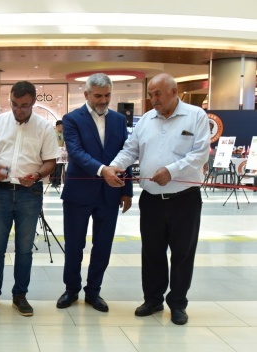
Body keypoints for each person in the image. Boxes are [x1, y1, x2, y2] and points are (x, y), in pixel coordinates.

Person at [102, 73, 210, 325]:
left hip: (185, 200)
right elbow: (130, 150)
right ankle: (152, 299)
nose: (153, 99)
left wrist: (172, 170)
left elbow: (200, 154)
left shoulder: (195, 116)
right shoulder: (147, 120)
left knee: (183, 253)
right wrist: (114, 167)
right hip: (151, 199)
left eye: (158, 94)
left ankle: (178, 303)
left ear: (174, 92)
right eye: (150, 94)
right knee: (152, 252)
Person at [0, 81, 60, 317]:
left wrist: (37, 175)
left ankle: (20, 295)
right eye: (14, 104)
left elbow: (51, 162)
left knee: (24, 249)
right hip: (0, 192)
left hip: (29, 194)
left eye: (23, 106)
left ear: (33, 102)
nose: (18, 110)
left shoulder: (44, 128)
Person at [56, 73, 134, 313]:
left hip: (110, 194)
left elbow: (126, 154)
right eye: (98, 96)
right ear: (87, 94)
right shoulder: (72, 119)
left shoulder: (120, 120)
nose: (103, 100)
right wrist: (103, 171)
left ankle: (94, 291)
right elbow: (76, 152)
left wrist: (127, 190)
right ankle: (71, 289)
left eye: (107, 95)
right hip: (78, 194)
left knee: (103, 245)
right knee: (74, 245)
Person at [50, 120, 65, 187]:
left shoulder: (64, 134)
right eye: (61, 126)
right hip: (53, 153)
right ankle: (53, 181)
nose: (62, 127)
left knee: (59, 168)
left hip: (61, 153)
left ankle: (57, 182)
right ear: (58, 126)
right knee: (53, 168)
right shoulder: (53, 133)